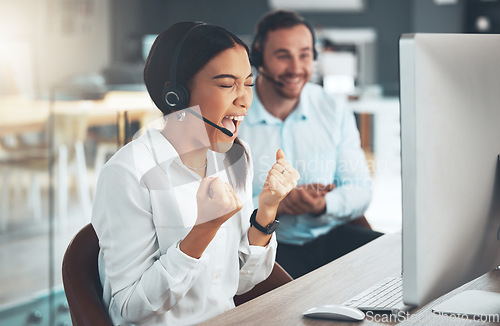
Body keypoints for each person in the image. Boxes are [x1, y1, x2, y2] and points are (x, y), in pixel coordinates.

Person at [91, 22, 299, 325]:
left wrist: (267, 210)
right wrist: (203, 230)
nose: (244, 99)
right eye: (228, 84)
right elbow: (131, 307)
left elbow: (237, 283)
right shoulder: (127, 173)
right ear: (175, 95)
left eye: (248, 84)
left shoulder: (235, 159)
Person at [238, 10, 382, 279]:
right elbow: (218, 203)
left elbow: (360, 190)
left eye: (304, 55)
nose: (296, 68)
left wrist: (323, 204)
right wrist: (274, 204)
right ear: (258, 57)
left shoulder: (332, 109)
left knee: (396, 259)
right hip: (266, 246)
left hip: (328, 237)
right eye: (283, 55)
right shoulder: (236, 115)